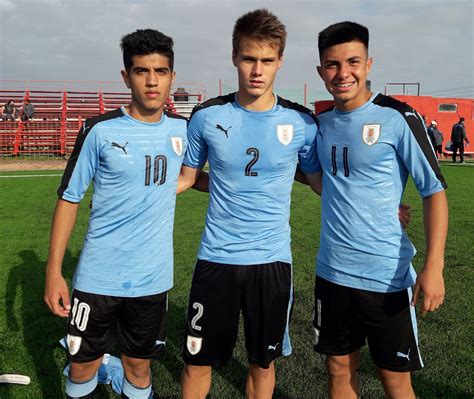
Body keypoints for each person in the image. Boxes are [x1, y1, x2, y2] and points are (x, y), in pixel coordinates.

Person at [177, 9, 322, 399]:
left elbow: (319, 183)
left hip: (272, 264)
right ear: (235, 57)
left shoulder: (303, 123)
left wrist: (381, 207)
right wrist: (134, 191)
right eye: (249, 58)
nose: (257, 70)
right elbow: (187, 179)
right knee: (197, 362)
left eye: (267, 60)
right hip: (216, 260)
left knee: (262, 363)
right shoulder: (206, 116)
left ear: (280, 62)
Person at [43, 28, 187, 399]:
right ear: (126, 77)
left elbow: (191, 176)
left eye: (160, 71)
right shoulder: (99, 131)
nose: (152, 81)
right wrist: (53, 272)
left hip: (152, 280)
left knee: (138, 368)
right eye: (141, 71)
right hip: (96, 279)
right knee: (82, 365)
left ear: (172, 75)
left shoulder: (183, 131)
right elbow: (69, 199)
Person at [312, 21, 448, 399]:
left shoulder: (398, 118)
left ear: (369, 64)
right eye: (332, 64)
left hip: (386, 277)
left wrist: (433, 266)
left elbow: (434, 190)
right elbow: (303, 172)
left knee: (395, 379)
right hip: (332, 273)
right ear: (321, 71)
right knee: (338, 371)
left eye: (352, 62)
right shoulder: (319, 124)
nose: (343, 73)